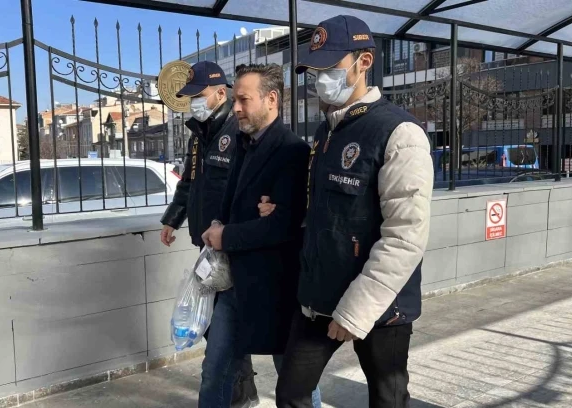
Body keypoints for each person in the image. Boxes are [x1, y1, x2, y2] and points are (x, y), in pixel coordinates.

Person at [274, 15, 434, 408]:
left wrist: (355, 311)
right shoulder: (325, 131)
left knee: (388, 398)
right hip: (318, 296)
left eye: (330, 68)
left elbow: (406, 236)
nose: (319, 80)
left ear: (364, 62)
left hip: (380, 307)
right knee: (291, 393)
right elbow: (322, 211)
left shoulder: (400, 133)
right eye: (315, 71)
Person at [201, 63, 321, 408]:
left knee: (295, 380)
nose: (236, 108)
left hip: (276, 289)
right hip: (233, 286)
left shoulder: (292, 151)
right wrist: (219, 225)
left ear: (271, 100)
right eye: (235, 100)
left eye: (244, 100)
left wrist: (227, 236)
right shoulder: (243, 143)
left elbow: (284, 224)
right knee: (214, 371)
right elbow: (234, 205)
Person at [158, 61, 259, 408]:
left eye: (198, 96)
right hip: (207, 248)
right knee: (219, 328)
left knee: (225, 329)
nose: (194, 104)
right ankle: (242, 393)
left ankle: (239, 394)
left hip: (232, 247)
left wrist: (233, 235)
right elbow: (189, 182)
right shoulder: (199, 135)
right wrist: (172, 219)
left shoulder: (239, 130)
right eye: (189, 98)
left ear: (220, 92)